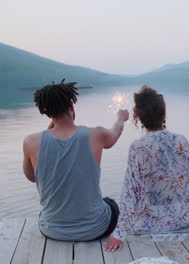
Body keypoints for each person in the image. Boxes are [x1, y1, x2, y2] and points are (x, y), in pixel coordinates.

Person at [22, 80, 128, 241]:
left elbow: (32, 177)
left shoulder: (31, 142)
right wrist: (121, 117)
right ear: (72, 106)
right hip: (96, 228)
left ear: (47, 114)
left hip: (52, 229)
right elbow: (114, 133)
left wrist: (50, 131)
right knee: (110, 203)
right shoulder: (96, 134)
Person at [105, 86, 189, 251]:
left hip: (155, 222)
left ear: (138, 116)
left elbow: (130, 194)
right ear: (164, 115)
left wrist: (118, 233)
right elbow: (186, 180)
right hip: (186, 216)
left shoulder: (138, 147)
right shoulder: (181, 140)